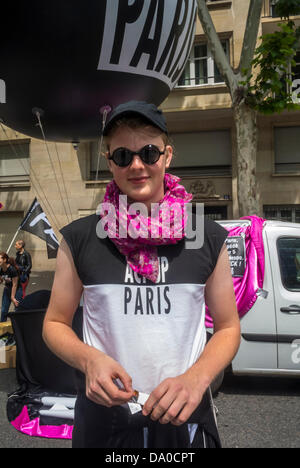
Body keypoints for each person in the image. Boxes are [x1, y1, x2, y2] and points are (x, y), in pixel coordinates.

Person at [43, 101, 240, 448]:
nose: (137, 165)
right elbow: (54, 323)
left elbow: (228, 328)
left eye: (149, 153)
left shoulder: (208, 237)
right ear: (109, 162)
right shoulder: (79, 238)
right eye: (123, 156)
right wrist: (89, 361)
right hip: (105, 426)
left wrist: (197, 379)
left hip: (186, 422)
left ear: (167, 156)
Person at [0, 252, 23, 322]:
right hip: (7, 290)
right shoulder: (0, 269)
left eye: (0, 258)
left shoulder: (12, 269)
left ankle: (18, 328)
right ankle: (2, 329)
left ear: (5, 260)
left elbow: (15, 284)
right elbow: (1, 280)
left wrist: (12, 297)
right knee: (4, 311)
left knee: (17, 310)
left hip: (17, 290)